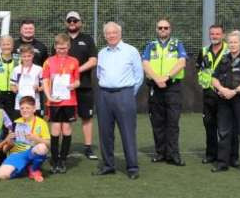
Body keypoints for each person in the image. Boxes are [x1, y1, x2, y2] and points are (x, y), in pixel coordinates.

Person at [93, 22, 143, 180]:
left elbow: (139, 76)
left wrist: (128, 94)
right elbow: (100, 75)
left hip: (124, 94)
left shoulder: (131, 51)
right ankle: (108, 165)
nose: (111, 35)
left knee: (127, 132)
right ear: (105, 35)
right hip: (104, 95)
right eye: (108, 33)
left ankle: (132, 167)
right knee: (105, 133)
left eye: (114, 32)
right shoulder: (102, 53)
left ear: (120, 34)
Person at [142, 18, 187, 166]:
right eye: (160, 28)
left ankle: (173, 155)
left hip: (172, 87)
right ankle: (160, 153)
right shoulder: (151, 45)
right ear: (156, 29)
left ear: (170, 29)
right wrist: (157, 79)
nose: (163, 30)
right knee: (158, 122)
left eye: (166, 28)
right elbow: (145, 63)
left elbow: (182, 62)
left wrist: (166, 78)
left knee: (173, 122)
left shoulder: (177, 44)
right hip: (155, 87)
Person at [211, 30, 240, 175]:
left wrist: (235, 91)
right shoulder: (224, 59)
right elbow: (213, 78)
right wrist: (221, 89)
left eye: (235, 42)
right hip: (224, 100)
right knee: (224, 132)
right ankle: (222, 163)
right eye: (230, 42)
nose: (233, 45)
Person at [62, 11, 98, 160]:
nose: (72, 23)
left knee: (86, 118)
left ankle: (88, 147)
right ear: (66, 23)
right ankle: (65, 147)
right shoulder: (61, 39)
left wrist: (75, 70)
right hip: (66, 88)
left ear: (80, 23)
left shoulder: (87, 39)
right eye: (69, 21)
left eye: (75, 21)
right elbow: (55, 60)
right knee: (66, 118)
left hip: (84, 86)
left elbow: (93, 61)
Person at [42, 33, 80, 174]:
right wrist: (48, 96)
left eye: (64, 48)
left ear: (68, 47)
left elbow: (77, 80)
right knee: (55, 130)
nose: (61, 50)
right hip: (54, 102)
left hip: (69, 101)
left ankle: (63, 160)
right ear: (55, 47)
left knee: (66, 130)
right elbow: (45, 81)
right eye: (59, 48)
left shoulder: (74, 61)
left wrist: (73, 85)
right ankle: (55, 160)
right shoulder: (48, 61)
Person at [196, 24, 232, 164]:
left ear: (223, 35)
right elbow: (199, 67)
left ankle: (227, 156)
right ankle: (211, 154)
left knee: (225, 128)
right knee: (209, 125)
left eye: (217, 34)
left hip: (224, 94)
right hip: (209, 94)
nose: (214, 36)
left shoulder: (229, 51)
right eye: (212, 34)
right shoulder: (204, 51)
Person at [0, 96, 50, 182]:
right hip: (18, 153)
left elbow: (48, 143)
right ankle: (24, 169)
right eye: (22, 108)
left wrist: (36, 138)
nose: (24, 110)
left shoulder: (41, 123)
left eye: (27, 108)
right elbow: (6, 149)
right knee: (2, 175)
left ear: (34, 109)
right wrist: (9, 141)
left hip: (32, 151)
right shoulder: (16, 123)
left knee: (42, 147)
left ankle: (34, 169)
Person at [10, 44, 43, 120]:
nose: (26, 58)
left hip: (35, 104)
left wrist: (39, 88)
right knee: (19, 127)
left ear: (33, 55)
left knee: (34, 127)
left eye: (29, 56)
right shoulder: (16, 69)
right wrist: (15, 89)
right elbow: (12, 85)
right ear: (20, 56)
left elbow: (45, 85)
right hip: (19, 104)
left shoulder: (39, 69)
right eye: (24, 56)